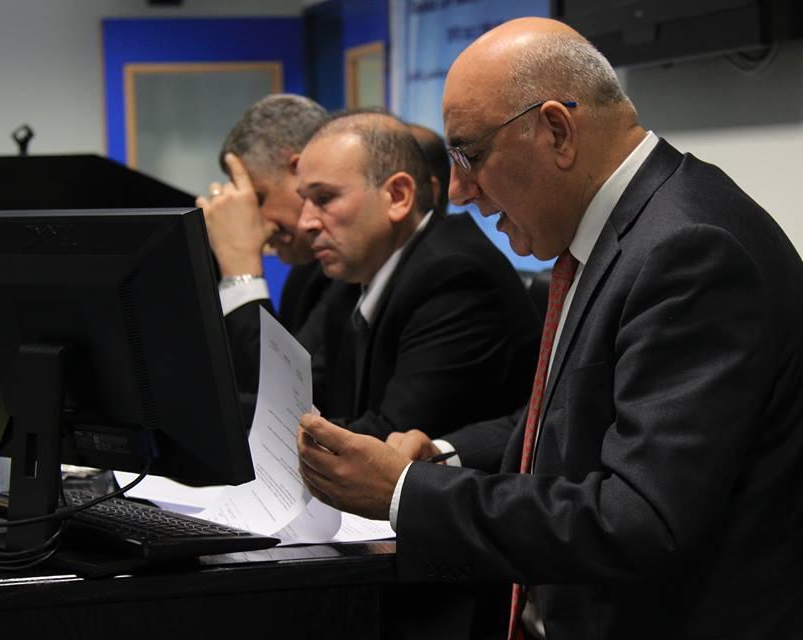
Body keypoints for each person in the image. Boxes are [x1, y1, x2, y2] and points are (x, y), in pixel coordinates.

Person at [296, 17, 803, 640]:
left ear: (557, 131)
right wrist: (443, 455)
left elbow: (639, 518)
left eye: (470, 155)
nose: (459, 192)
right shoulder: (628, 231)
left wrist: (405, 492)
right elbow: (563, 416)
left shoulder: (691, 249)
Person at [295, 111, 539, 439]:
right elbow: (310, 391)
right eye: (304, 202)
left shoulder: (455, 277)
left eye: (324, 198)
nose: (305, 223)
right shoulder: (356, 271)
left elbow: (393, 442)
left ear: (398, 196)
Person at [195, 94, 332, 398]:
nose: (253, 222)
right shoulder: (304, 275)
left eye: (257, 198)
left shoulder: (347, 272)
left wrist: (240, 269)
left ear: (301, 170)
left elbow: (283, 401)